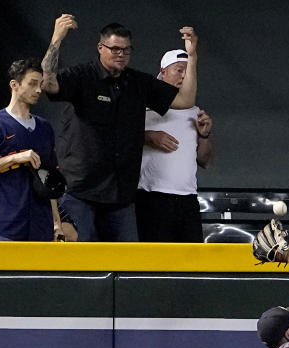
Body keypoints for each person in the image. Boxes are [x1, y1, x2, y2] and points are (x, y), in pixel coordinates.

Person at [41, 15, 199, 241]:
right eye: (115, 49)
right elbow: (49, 84)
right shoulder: (83, 76)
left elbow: (186, 100)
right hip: (82, 191)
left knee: (127, 266)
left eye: (126, 50)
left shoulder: (138, 83)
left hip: (120, 196)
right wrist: (57, 37)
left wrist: (192, 56)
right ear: (100, 47)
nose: (121, 55)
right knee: (80, 264)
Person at [0, 59, 58, 241]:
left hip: (42, 224)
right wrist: (15, 158)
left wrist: (57, 222)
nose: (38, 90)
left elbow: (51, 180)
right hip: (6, 224)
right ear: (14, 85)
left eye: (40, 84)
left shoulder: (45, 127)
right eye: (32, 84)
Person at [135, 48, 213, 242]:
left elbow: (204, 160)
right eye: (179, 70)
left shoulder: (194, 111)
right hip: (151, 195)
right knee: (155, 261)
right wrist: (148, 136)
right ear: (163, 71)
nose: (184, 76)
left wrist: (204, 136)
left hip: (187, 198)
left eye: (188, 71)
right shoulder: (143, 106)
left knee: (191, 263)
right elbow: (119, 137)